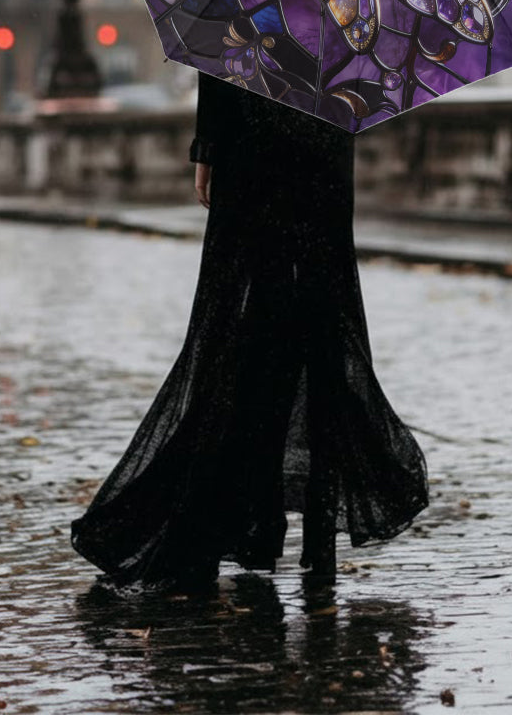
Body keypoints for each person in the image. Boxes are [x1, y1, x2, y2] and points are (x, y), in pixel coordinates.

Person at [69, 69, 429, 592]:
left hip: (253, 132)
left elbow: (222, 49)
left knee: (246, 326)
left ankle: (235, 514)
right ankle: (313, 533)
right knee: (320, 326)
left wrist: (207, 148)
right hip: (322, 133)